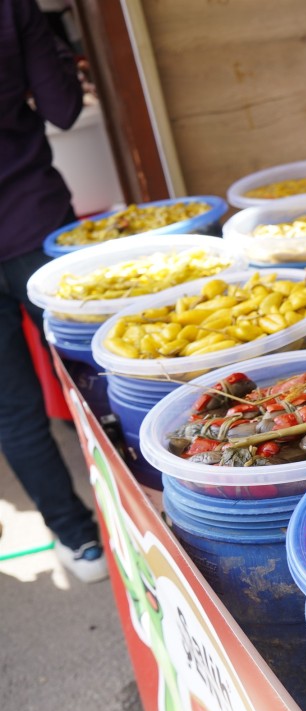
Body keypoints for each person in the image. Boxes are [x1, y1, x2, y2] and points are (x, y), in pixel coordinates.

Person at [1, 0, 107, 583]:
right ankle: (136, 516)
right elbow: (65, 107)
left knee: (11, 412)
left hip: (31, 224)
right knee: (88, 378)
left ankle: (80, 541)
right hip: (33, 222)